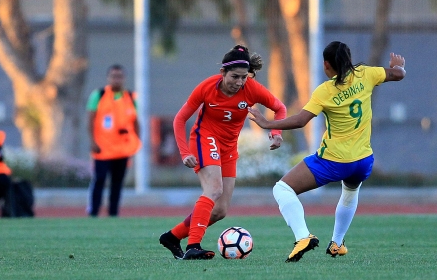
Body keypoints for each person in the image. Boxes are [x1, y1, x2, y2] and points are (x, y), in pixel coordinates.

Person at [248, 41, 406, 262]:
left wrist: (268, 124)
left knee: (282, 189)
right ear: (349, 60)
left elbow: (301, 120)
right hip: (363, 160)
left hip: (334, 161)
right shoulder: (367, 74)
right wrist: (398, 66)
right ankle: (337, 243)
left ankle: (303, 237)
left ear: (326, 65)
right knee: (350, 193)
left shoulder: (325, 90)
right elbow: (398, 74)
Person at [159, 45, 287, 260]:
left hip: (228, 147)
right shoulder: (207, 87)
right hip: (204, 138)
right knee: (214, 189)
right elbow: (180, 119)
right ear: (222, 73)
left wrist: (276, 132)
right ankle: (193, 245)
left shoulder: (252, 89)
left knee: (220, 211)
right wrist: (184, 153)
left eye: (244, 77)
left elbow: (280, 108)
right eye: (234, 77)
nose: (239, 82)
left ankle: (172, 236)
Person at [86, 64, 141, 217]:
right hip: (102, 148)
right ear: (108, 78)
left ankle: (113, 213)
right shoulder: (99, 95)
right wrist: (92, 141)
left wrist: (136, 142)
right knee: (100, 180)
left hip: (122, 149)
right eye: (113, 76)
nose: (117, 80)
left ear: (124, 78)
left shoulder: (130, 97)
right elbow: (90, 120)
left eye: (120, 76)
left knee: (117, 183)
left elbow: (136, 121)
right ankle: (94, 212)